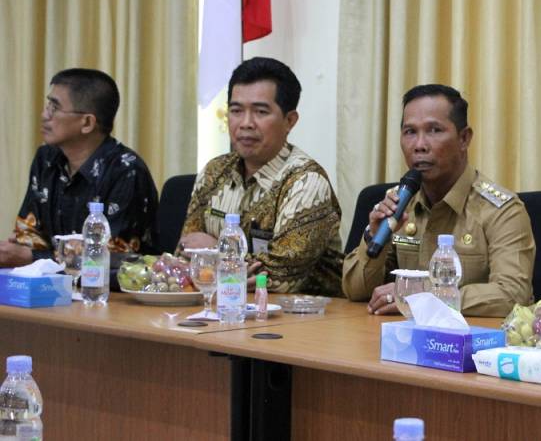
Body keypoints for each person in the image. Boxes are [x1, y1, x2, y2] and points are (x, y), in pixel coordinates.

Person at [342, 84, 535, 317]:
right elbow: (355, 291)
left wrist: (423, 297)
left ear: (464, 139)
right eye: (410, 132)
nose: (420, 145)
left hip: (469, 346)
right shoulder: (400, 203)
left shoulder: (501, 210)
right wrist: (374, 238)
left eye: (434, 130)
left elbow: (513, 294)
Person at [180, 57, 343, 296]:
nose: (246, 123)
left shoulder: (305, 180)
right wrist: (219, 263)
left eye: (260, 112)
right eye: (236, 111)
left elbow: (280, 276)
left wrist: (217, 251)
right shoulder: (214, 172)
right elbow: (186, 251)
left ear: (289, 121)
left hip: (301, 319)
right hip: (224, 308)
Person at [0, 68, 159, 266]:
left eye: (54, 108)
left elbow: (115, 258)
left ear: (87, 122)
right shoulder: (46, 158)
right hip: (53, 287)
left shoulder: (126, 171)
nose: (44, 115)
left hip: (113, 293)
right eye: (48, 104)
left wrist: (34, 258)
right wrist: (20, 251)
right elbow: (29, 231)